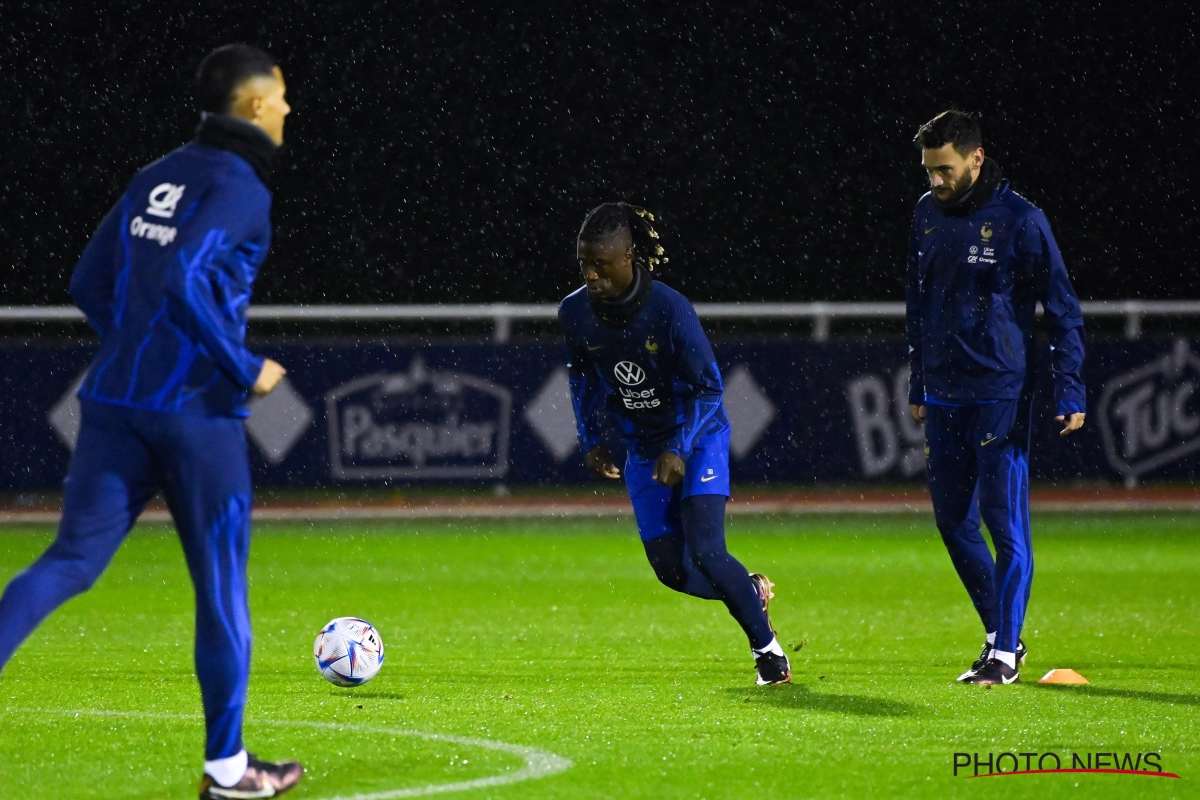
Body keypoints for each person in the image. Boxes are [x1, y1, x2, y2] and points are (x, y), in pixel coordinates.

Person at [0, 45, 304, 797]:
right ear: (255, 106)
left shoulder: (156, 175)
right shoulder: (241, 188)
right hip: (197, 416)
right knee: (221, 592)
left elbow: (86, 281)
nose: (290, 109)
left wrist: (136, 348)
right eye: (284, 97)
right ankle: (228, 771)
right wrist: (242, 368)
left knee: (68, 564)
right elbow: (183, 273)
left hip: (113, 405)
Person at [559, 202, 791, 686]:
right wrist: (590, 439)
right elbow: (581, 374)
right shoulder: (574, 312)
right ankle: (748, 590)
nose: (591, 274)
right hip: (641, 446)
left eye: (601, 264)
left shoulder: (669, 309)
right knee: (670, 570)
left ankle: (768, 653)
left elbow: (708, 387)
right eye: (584, 264)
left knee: (706, 550)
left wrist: (680, 447)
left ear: (629, 258)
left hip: (698, 436)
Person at [906, 110, 1086, 685]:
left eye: (946, 169)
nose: (936, 181)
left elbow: (1062, 311)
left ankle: (1005, 656)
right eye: (930, 170)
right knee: (952, 522)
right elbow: (918, 304)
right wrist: (918, 382)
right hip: (944, 393)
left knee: (1003, 523)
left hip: (1000, 392)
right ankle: (998, 635)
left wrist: (1070, 384)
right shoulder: (925, 215)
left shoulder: (1021, 220)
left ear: (976, 159)